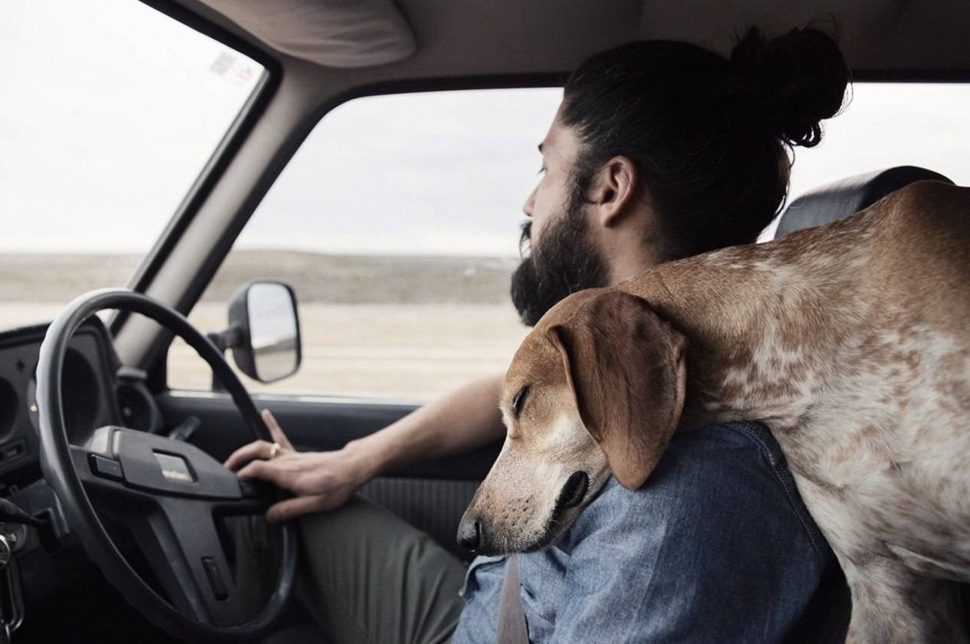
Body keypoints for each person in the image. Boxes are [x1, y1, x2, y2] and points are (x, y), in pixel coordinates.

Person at [226, 26, 852, 643]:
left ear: (610, 188)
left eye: (547, 167)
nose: (531, 202)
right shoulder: (627, 357)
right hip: (476, 605)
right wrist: (352, 462)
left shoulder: (685, 495)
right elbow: (521, 392)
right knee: (267, 516)